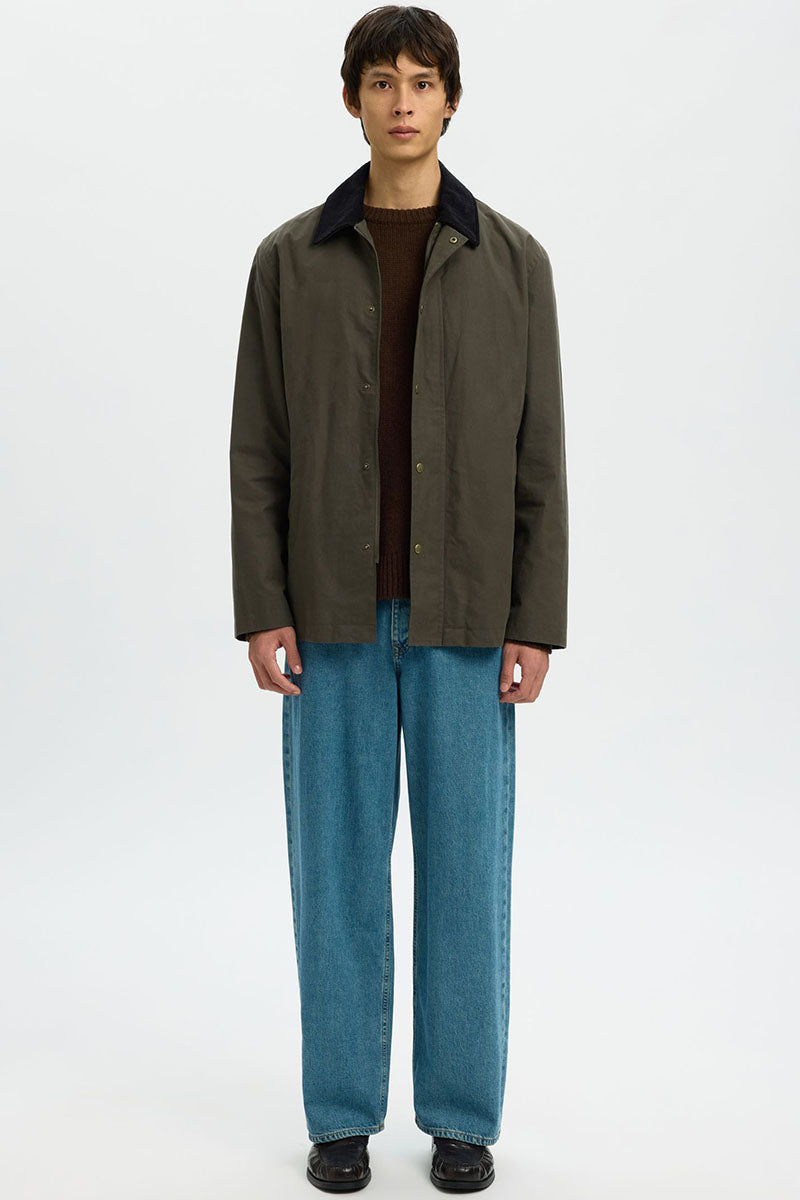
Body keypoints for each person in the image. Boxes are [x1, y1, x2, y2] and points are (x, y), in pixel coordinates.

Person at [229, 6, 568, 1192]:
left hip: (467, 616)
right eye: (380, 82)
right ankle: (339, 1114)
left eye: (422, 81)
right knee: (335, 875)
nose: (402, 101)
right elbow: (257, 449)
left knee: (466, 874)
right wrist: (261, 604)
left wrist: (535, 620)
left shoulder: (514, 264)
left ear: (450, 100)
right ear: (352, 102)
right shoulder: (287, 261)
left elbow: (539, 457)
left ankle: (462, 1118)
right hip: (326, 614)